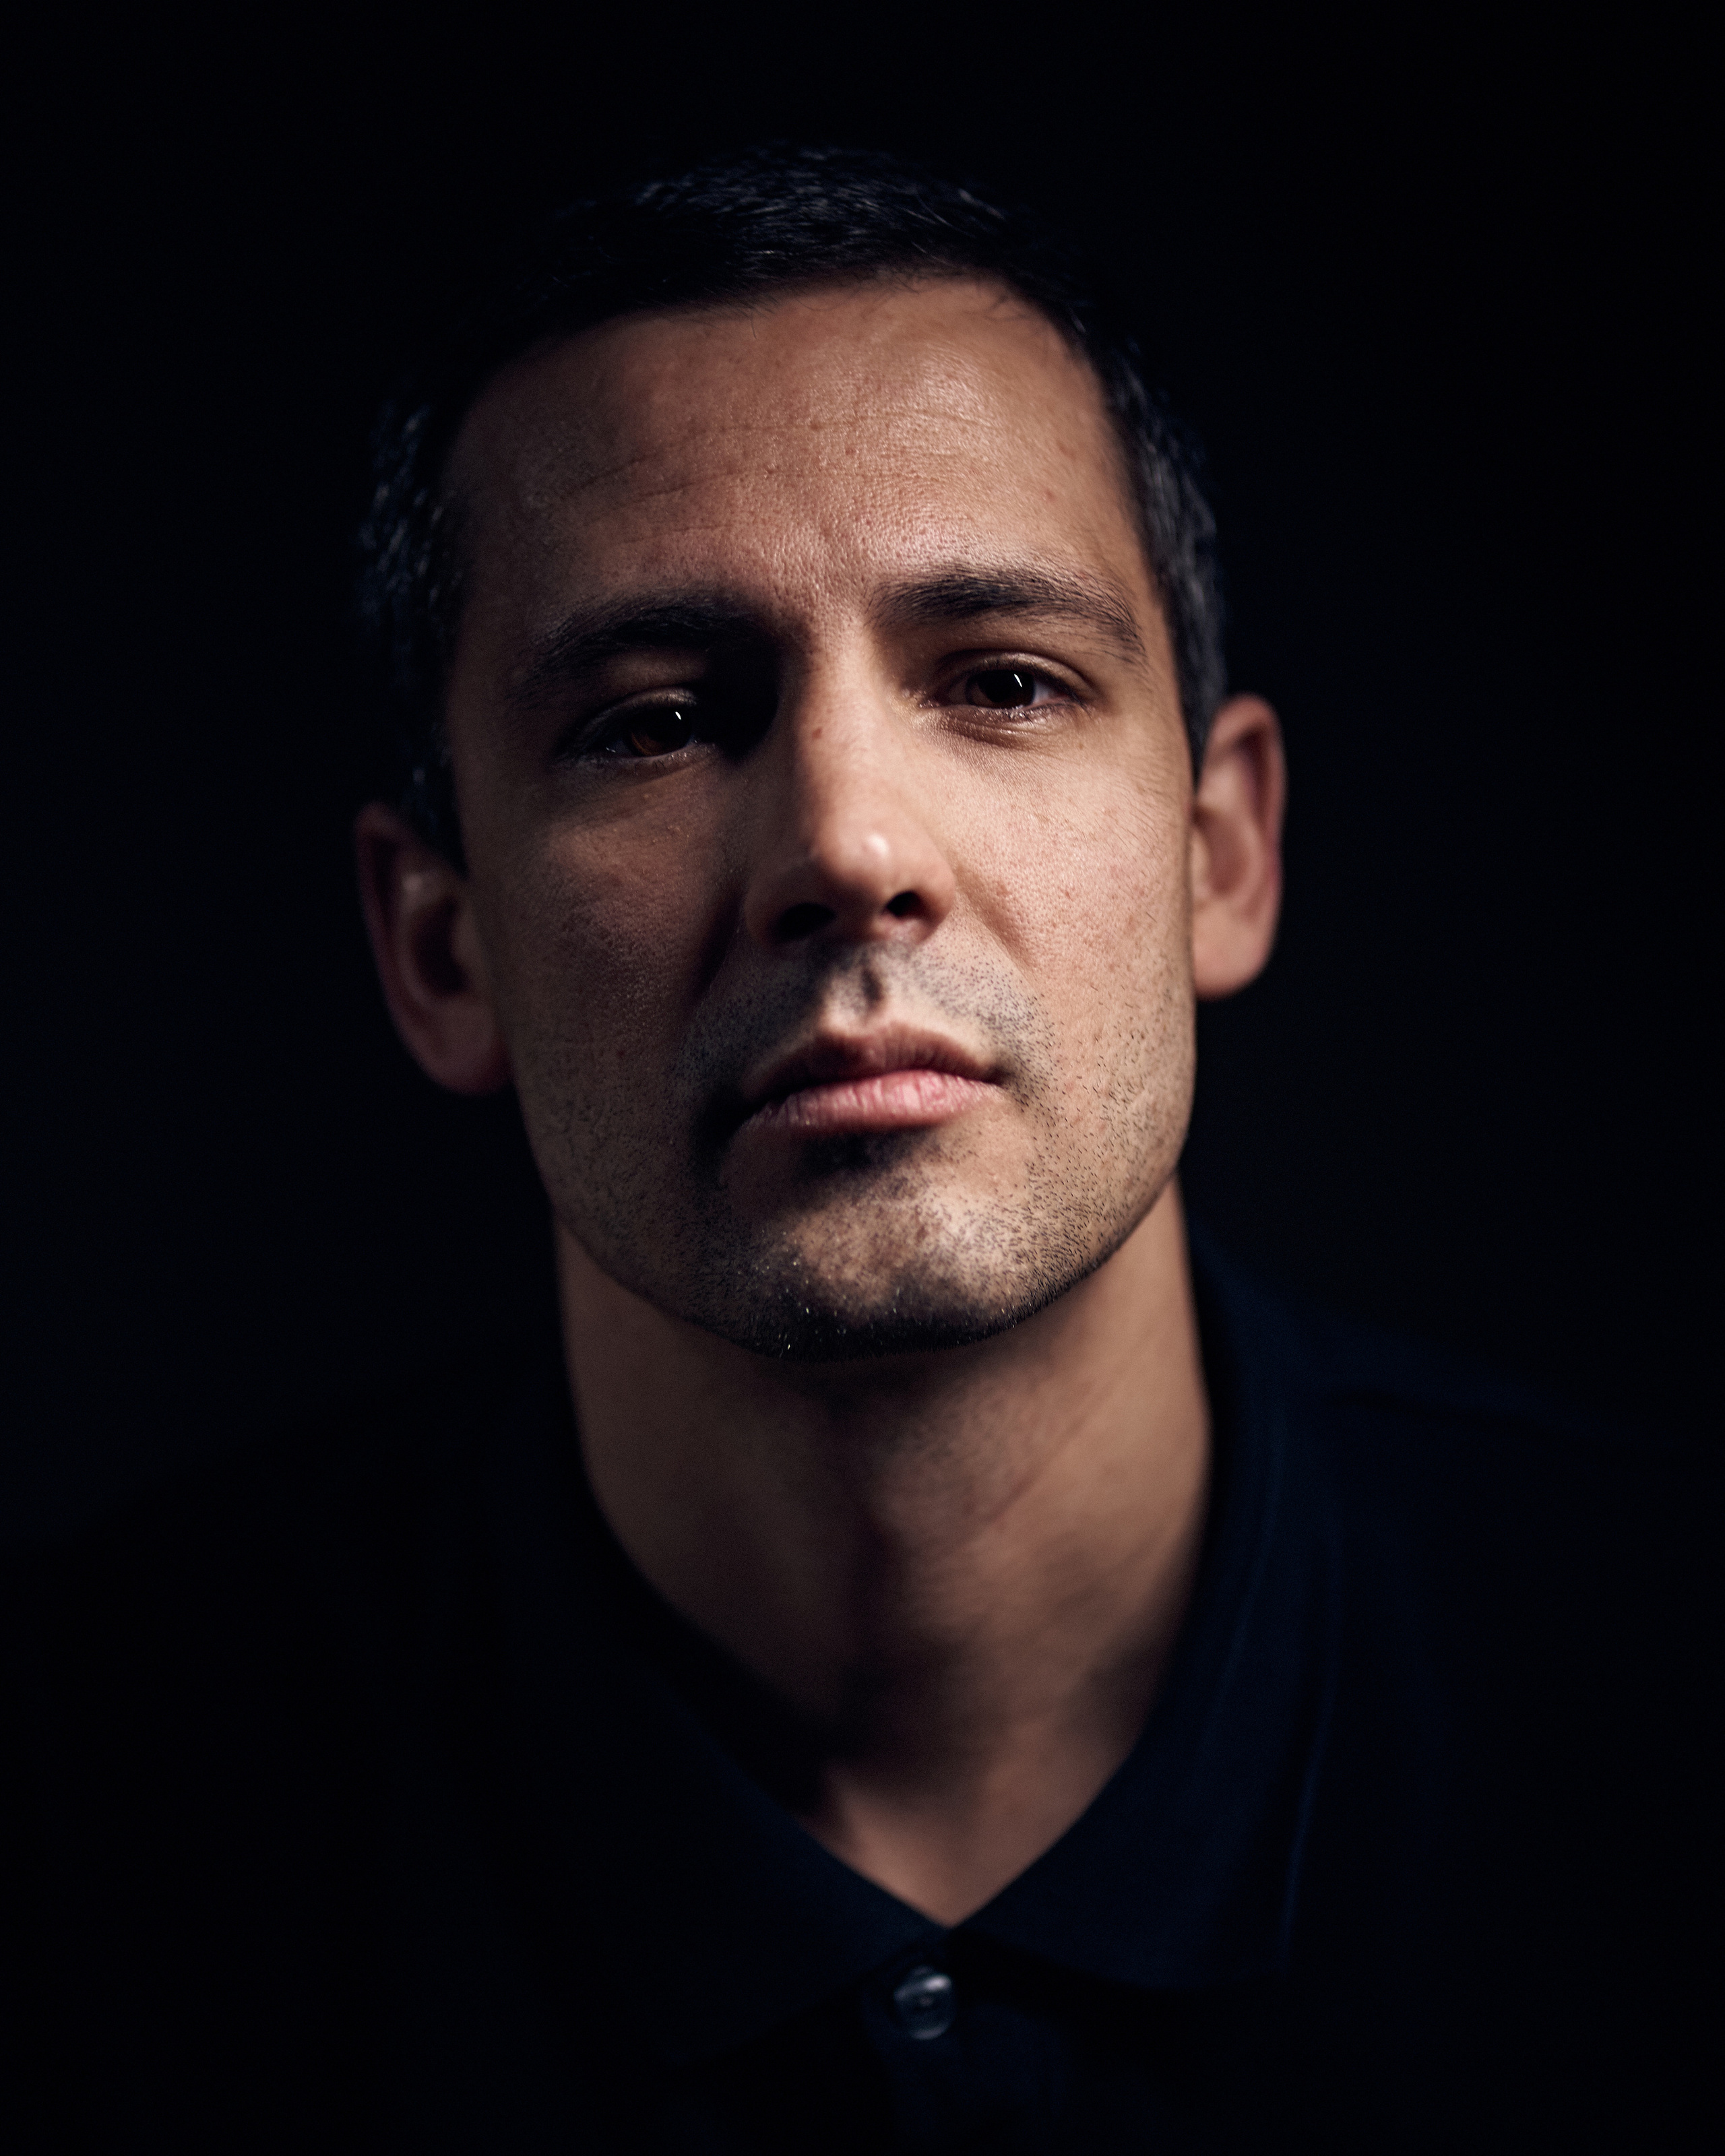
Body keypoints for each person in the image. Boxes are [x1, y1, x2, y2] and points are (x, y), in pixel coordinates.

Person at [3, 147, 1712, 2154]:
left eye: (1003, 682)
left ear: (1219, 855)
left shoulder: (1674, 1706)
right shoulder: (79, 1833)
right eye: (654, 721)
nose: (850, 846)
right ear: (441, 949)